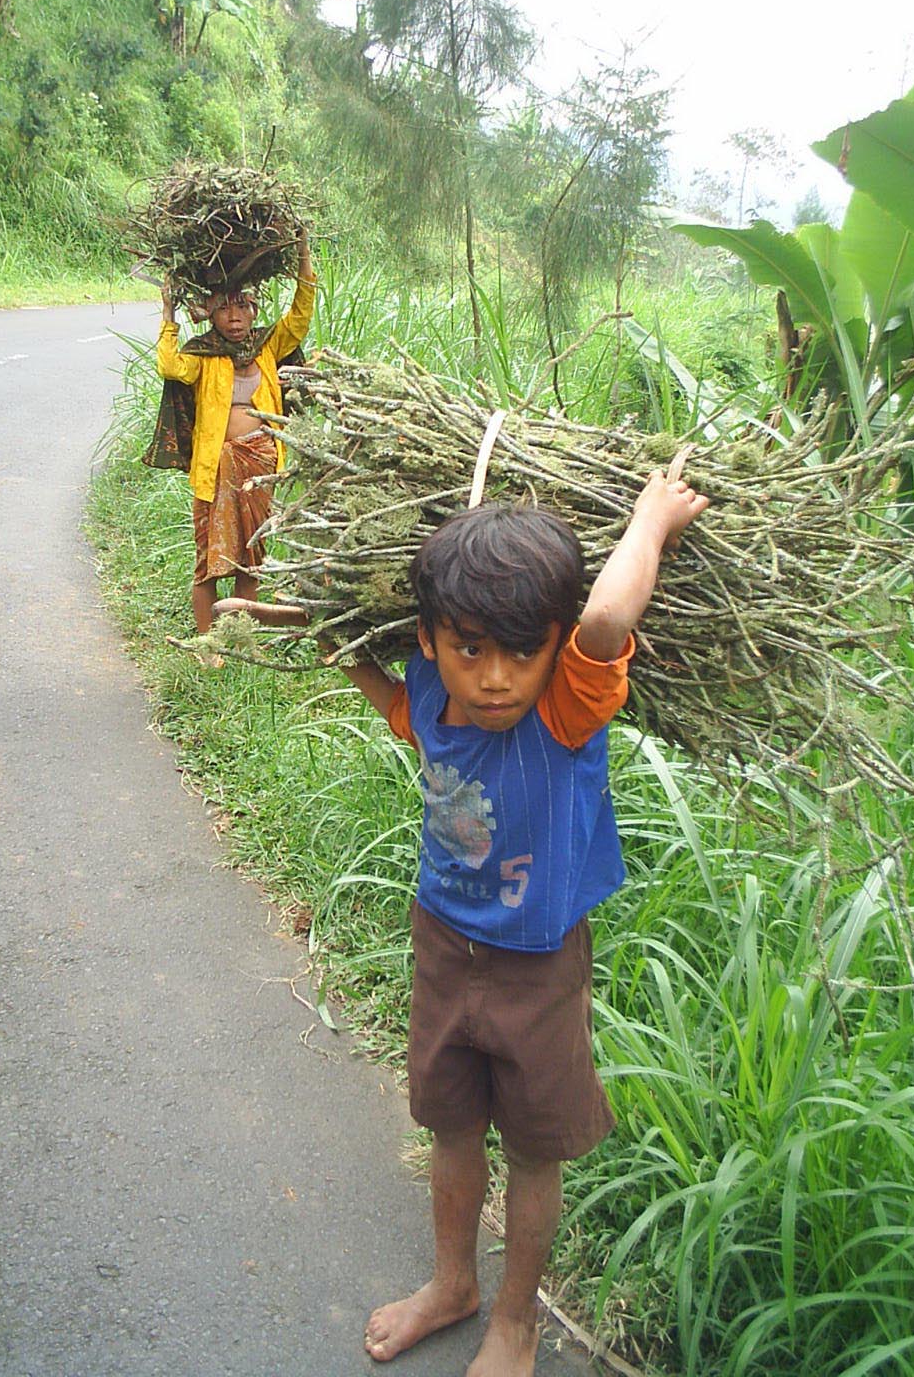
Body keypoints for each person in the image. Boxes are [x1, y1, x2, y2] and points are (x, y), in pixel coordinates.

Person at [333, 471, 708, 1375]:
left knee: (537, 1154)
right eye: (468, 650)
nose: (495, 678)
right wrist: (333, 640)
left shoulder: (565, 713)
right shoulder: (427, 693)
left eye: (521, 651)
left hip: (540, 968)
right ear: (428, 641)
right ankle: (452, 1283)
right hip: (441, 948)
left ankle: (517, 1321)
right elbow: (396, 704)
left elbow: (609, 620)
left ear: (552, 650)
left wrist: (650, 522)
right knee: (452, 1128)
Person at [155, 230, 315, 633]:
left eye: (242, 307)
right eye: (225, 309)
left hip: (260, 465)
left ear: (254, 311)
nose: (235, 317)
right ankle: (208, 642)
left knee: (251, 556)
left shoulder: (267, 346)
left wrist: (303, 256)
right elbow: (171, 367)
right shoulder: (202, 354)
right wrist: (168, 317)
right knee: (208, 561)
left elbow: (300, 315)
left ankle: (242, 639)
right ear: (211, 315)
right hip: (214, 470)